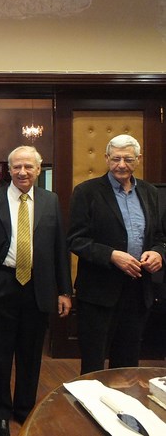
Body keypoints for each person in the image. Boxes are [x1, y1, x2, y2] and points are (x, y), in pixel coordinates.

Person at [0, 145, 72, 436]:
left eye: (28, 166)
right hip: (2, 283)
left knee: (31, 353)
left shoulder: (51, 200)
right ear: (9, 169)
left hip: (39, 287)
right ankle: (1, 412)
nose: (22, 172)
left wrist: (64, 291)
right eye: (16, 166)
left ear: (38, 169)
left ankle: (25, 408)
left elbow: (59, 247)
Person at [67, 134, 165, 375]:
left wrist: (158, 253)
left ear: (138, 159)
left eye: (128, 159)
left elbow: (159, 237)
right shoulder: (87, 192)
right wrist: (112, 255)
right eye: (116, 159)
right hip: (99, 293)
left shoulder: (150, 192)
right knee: (93, 366)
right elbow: (76, 240)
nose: (121, 164)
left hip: (138, 290)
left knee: (127, 366)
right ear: (106, 158)